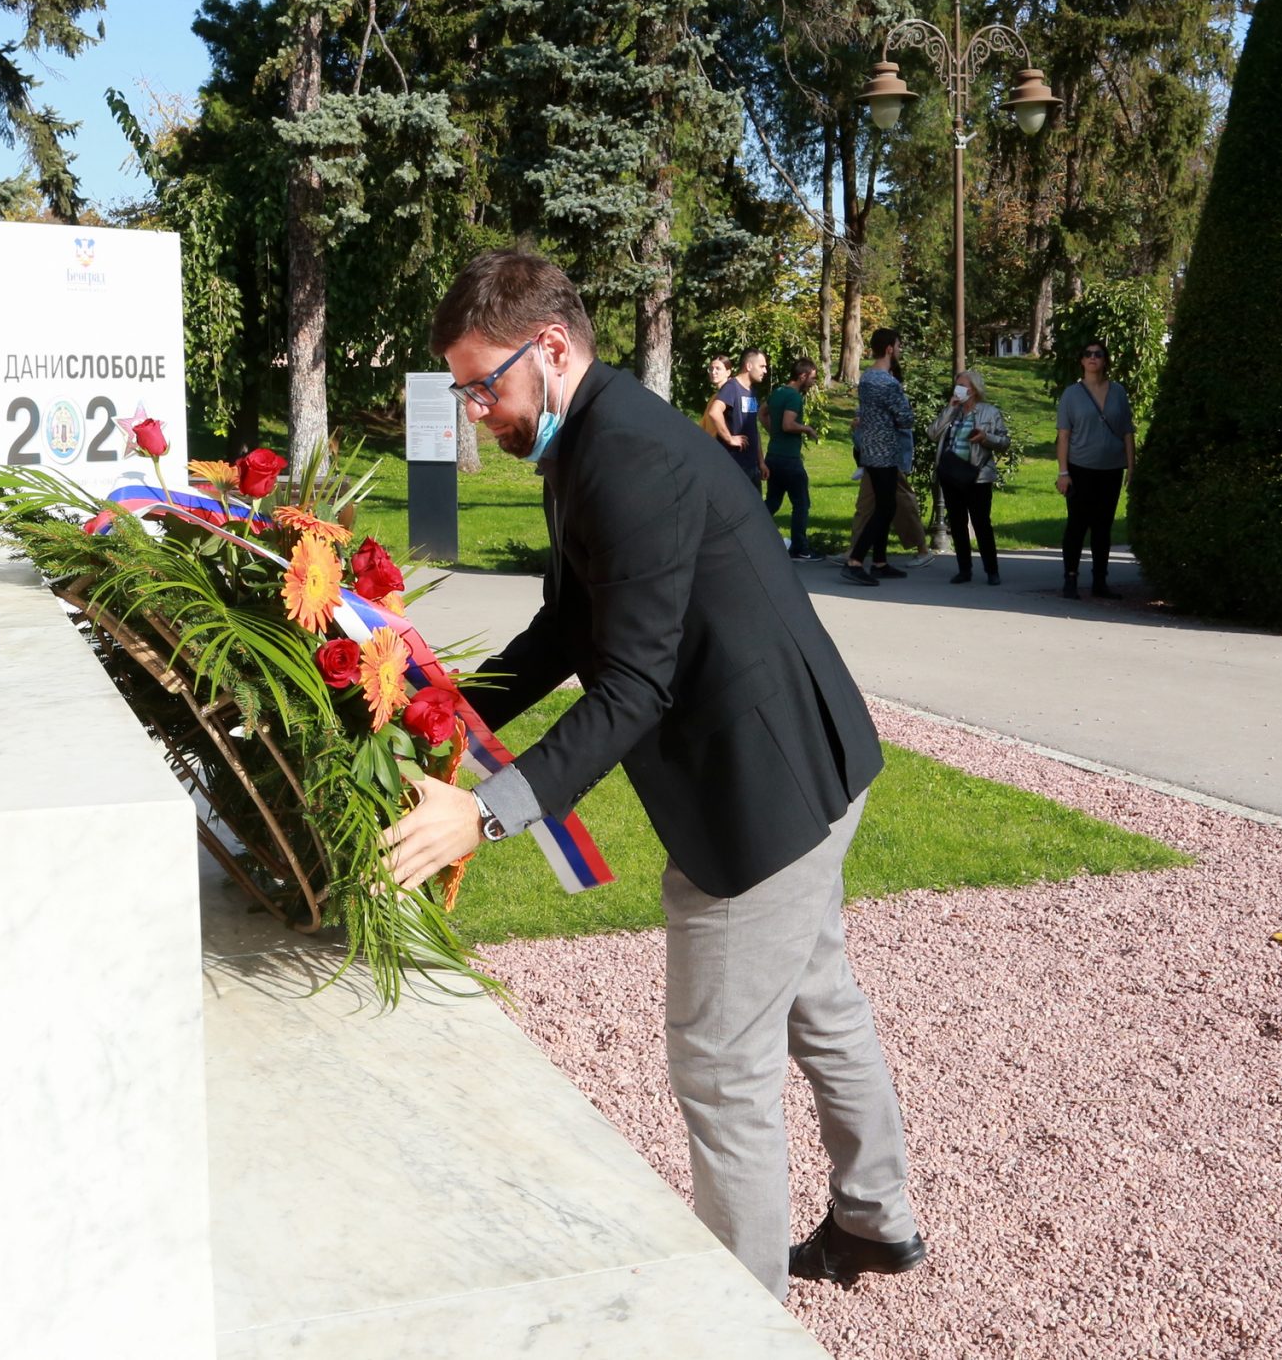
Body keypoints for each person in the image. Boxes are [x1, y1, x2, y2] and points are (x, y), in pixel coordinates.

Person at [386, 251, 928, 1301]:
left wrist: (486, 813)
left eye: (482, 384)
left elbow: (634, 684)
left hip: (762, 796)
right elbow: (569, 625)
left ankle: (744, 1320)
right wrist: (440, 707)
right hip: (807, 757)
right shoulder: (591, 435)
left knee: (721, 1063)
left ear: (549, 348)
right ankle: (876, 1218)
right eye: (463, 391)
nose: (476, 410)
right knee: (818, 996)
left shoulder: (623, 453)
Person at [1054, 341, 1136, 599]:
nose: (1092, 358)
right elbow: (1063, 436)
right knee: (1077, 525)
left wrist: (1131, 467)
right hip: (1080, 468)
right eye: (1088, 354)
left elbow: (1127, 432)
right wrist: (1063, 472)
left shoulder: (1118, 392)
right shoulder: (1071, 394)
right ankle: (1070, 578)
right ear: (1082, 360)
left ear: (1105, 360)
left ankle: (1100, 581)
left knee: (1103, 526)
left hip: (1111, 469)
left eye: (1098, 354)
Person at [842, 329, 916, 588]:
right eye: (898, 345)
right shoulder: (888, 383)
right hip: (885, 451)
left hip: (868, 449)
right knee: (885, 507)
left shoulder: (866, 377)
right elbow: (906, 418)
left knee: (885, 504)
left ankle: (880, 562)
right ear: (889, 349)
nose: (900, 350)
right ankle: (855, 561)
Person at [930, 368, 1008, 586]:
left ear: (973, 390)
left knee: (981, 523)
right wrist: (949, 409)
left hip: (977, 476)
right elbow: (932, 433)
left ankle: (992, 570)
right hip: (951, 475)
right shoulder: (953, 411)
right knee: (957, 523)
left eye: (962, 386)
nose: (958, 389)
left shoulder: (989, 412)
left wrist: (985, 437)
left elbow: (1004, 442)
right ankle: (964, 570)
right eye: (957, 385)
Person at [765, 358, 822, 560]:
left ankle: (749, 532)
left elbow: (762, 413)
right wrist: (807, 429)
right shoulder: (794, 397)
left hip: (773, 455)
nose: (813, 383)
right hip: (789, 459)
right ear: (802, 376)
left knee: (772, 501)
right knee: (801, 503)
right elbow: (788, 425)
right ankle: (799, 548)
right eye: (812, 378)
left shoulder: (778, 392)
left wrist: (773, 432)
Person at [705, 348, 768, 492]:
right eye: (762, 366)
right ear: (749, 366)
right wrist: (730, 439)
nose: (765, 371)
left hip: (752, 465)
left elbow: (753, 429)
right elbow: (714, 412)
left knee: (755, 505)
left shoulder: (752, 391)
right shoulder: (732, 387)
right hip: (734, 463)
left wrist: (761, 462)